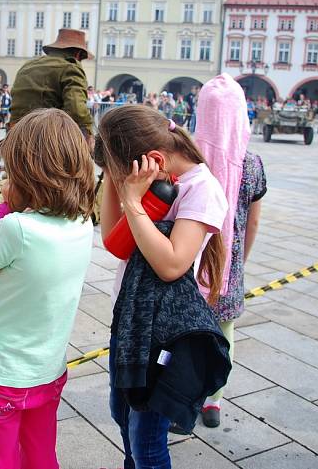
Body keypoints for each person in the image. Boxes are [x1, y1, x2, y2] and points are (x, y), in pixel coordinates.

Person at [97, 105, 228, 469]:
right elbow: (113, 240)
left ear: (154, 158)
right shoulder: (151, 182)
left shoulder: (202, 189)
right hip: (131, 323)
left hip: (166, 335)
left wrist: (135, 204)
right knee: (122, 418)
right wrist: (112, 173)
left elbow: (172, 264)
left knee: (148, 443)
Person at [0, 109, 95, 468]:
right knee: (40, 454)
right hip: (48, 369)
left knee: (0, 460)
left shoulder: (16, 228)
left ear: (25, 172)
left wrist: (4, 205)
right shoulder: (83, 223)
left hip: (2, 373)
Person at [193, 74, 266, 428]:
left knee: (188, 332)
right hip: (230, 265)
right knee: (225, 333)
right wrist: (239, 261)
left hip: (189, 262)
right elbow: (252, 223)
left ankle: (186, 395)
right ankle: (214, 402)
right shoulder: (252, 164)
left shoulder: (189, 158)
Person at [9, 28, 94, 146]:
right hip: (45, 138)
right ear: (78, 54)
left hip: (15, 136)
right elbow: (77, 110)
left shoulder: (28, 65)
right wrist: (89, 134)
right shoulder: (70, 67)